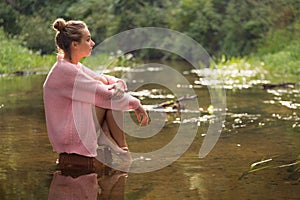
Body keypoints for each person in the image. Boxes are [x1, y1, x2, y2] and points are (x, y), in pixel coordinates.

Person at [43, 18, 149, 172]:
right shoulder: (66, 71)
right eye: (88, 39)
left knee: (111, 94)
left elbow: (104, 79)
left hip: (74, 129)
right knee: (112, 100)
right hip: (71, 137)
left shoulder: (71, 66)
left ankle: (112, 144)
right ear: (75, 44)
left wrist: (118, 84)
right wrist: (136, 104)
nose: (92, 43)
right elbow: (104, 95)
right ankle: (124, 153)